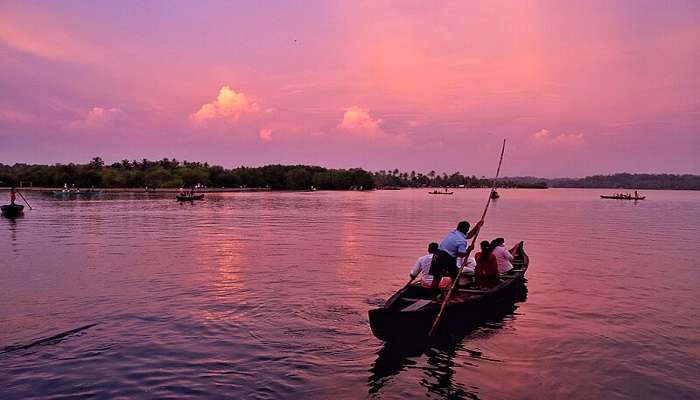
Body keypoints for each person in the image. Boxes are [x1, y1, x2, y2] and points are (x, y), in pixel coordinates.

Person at [429, 219, 483, 298]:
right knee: (455, 277)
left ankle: (433, 297)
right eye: (468, 228)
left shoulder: (454, 233)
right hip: (445, 257)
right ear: (466, 229)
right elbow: (461, 255)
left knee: (436, 278)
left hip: (437, 254)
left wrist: (477, 226)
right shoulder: (461, 241)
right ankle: (453, 296)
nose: (468, 230)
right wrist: (469, 249)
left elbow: (469, 235)